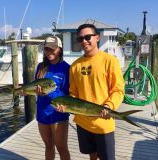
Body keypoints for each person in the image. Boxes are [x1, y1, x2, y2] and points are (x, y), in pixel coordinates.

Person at [58, 24, 125, 160]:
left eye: (88, 37)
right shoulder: (75, 66)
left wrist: (109, 106)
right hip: (83, 122)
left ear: (97, 38)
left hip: (103, 122)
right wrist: (67, 106)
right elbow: (73, 93)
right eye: (80, 39)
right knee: (92, 156)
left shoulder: (109, 61)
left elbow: (118, 90)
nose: (84, 41)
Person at [35, 35, 70, 160]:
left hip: (58, 113)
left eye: (52, 49)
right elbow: (35, 87)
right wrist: (28, 91)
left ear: (59, 49)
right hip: (42, 113)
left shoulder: (66, 68)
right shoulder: (41, 67)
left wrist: (48, 92)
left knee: (61, 147)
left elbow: (67, 95)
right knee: (48, 146)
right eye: (46, 49)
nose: (49, 52)